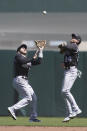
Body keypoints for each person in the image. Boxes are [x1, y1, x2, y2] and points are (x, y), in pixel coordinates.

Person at [8, 41, 44, 122]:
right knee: (28, 98)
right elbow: (23, 61)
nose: (24, 48)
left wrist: (41, 50)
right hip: (19, 79)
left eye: (25, 48)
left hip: (24, 81)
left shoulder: (27, 59)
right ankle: (13, 108)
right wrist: (32, 59)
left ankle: (33, 117)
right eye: (22, 47)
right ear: (18, 50)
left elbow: (39, 61)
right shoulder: (17, 56)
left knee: (34, 98)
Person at [58, 33, 82, 122]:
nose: (72, 38)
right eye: (72, 37)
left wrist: (63, 45)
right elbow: (61, 50)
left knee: (65, 91)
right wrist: (62, 48)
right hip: (67, 70)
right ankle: (69, 113)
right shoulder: (70, 47)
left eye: (75, 38)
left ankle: (76, 109)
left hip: (72, 71)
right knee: (63, 93)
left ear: (78, 41)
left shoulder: (74, 46)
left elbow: (64, 46)